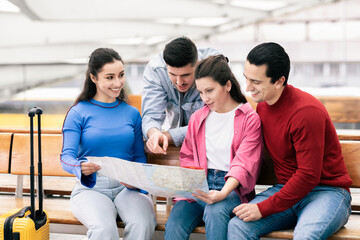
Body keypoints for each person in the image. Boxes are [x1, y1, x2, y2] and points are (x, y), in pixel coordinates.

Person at [228, 42, 353, 240]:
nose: (248, 87)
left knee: (305, 236)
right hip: (286, 189)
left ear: (279, 81)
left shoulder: (306, 113)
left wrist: (264, 208)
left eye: (256, 82)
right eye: (246, 78)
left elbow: (308, 175)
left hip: (327, 192)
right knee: (238, 226)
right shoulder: (262, 106)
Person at [60, 48, 156, 240]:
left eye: (121, 75)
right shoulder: (78, 113)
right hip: (91, 188)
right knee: (104, 229)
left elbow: (138, 156)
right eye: (110, 77)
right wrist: (80, 166)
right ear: (94, 78)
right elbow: (66, 158)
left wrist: (138, 184)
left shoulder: (131, 113)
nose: (118, 82)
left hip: (127, 187)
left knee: (143, 223)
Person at [164, 55, 263, 240]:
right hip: (199, 187)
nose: (205, 98)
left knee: (214, 211)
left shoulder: (249, 118)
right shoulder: (198, 118)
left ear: (227, 85)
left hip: (231, 189)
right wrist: (189, 186)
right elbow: (188, 156)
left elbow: (244, 163)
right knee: (175, 222)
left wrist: (223, 192)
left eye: (209, 90)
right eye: (201, 92)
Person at [142, 36, 220, 154]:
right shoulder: (156, 70)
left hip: (212, 148)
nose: (179, 82)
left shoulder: (215, 67)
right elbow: (151, 115)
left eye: (186, 75)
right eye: (172, 74)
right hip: (176, 151)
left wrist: (168, 136)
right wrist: (154, 134)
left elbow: (214, 122)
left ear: (198, 64)